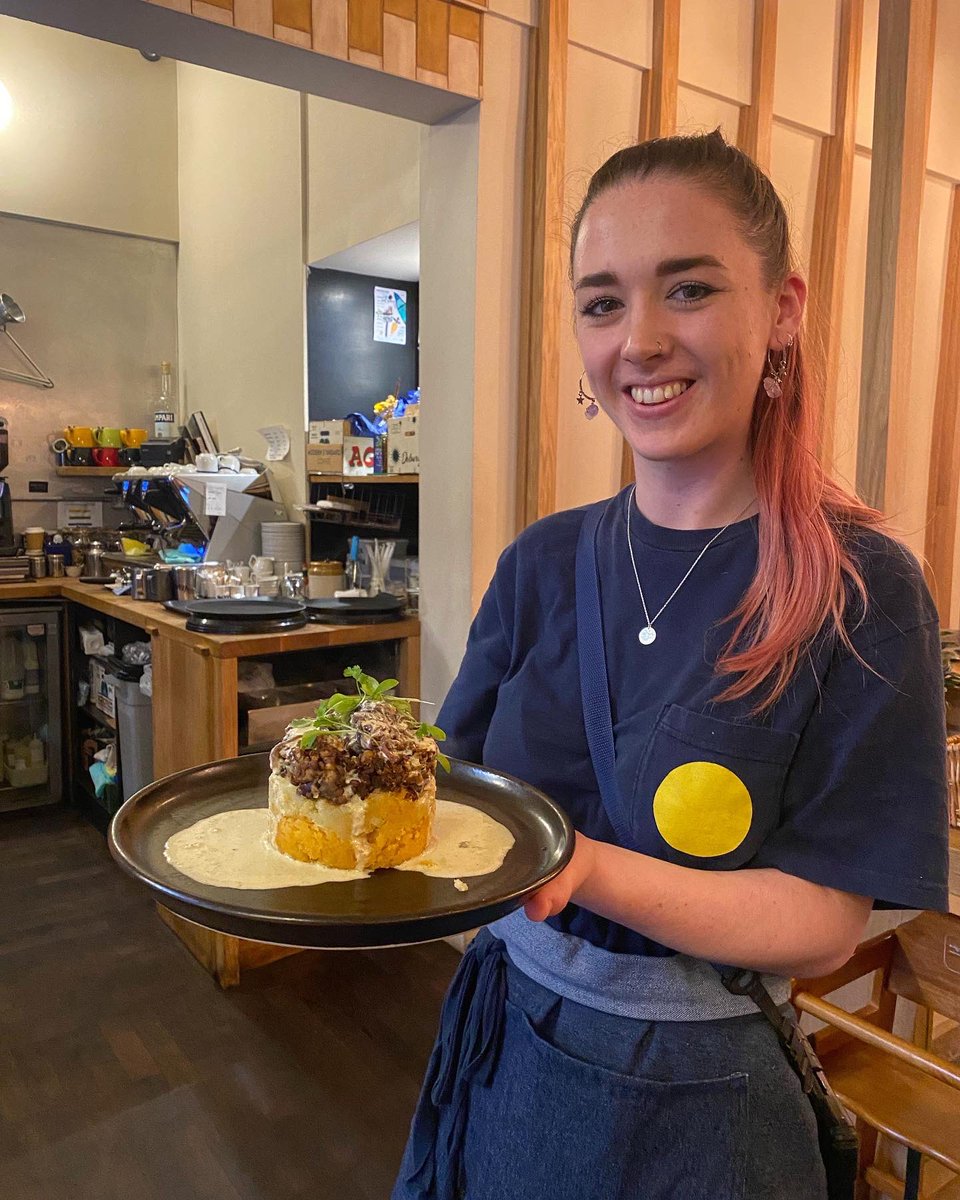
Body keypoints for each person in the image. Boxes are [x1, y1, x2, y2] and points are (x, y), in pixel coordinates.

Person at [391, 131, 950, 1200]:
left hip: (704, 1105)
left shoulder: (860, 588)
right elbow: (449, 789)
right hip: (506, 1047)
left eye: (686, 289)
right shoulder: (543, 561)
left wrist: (587, 869)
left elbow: (826, 920)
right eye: (602, 303)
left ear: (782, 309)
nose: (639, 340)